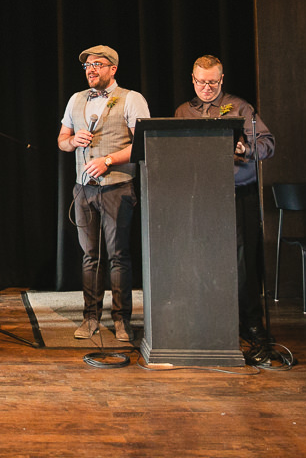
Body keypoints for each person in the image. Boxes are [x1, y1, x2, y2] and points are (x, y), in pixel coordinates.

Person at [174, 54, 276, 350]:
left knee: (242, 262)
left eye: (213, 82)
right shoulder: (183, 111)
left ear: (222, 80)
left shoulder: (241, 107)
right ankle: (208, 321)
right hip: (199, 196)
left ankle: (252, 323)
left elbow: (268, 144)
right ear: (193, 80)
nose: (206, 88)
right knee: (201, 259)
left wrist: (245, 147)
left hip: (236, 194)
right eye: (201, 82)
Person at [57, 45, 150, 343]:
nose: (91, 69)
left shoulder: (131, 99)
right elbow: (61, 140)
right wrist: (73, 141)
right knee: (90, 257)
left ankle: (122, 320)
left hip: (117, 188)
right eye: (86, 65)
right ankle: (90, 318)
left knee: (119, 257)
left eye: (98, 64)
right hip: (83, 190)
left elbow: (142, 145)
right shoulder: (76, 100)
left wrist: (108, 160)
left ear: (113, 68)